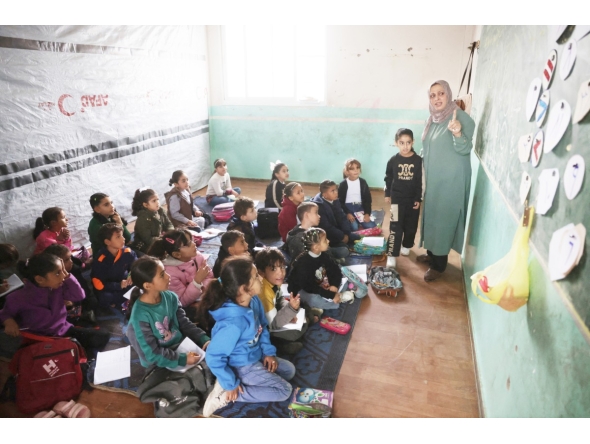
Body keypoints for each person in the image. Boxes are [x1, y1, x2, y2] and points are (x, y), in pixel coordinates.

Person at [198, 256, 295, 417]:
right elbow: (213, 356)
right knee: (284, 390)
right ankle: (226, 393)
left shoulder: (254, 300)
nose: (261, 278)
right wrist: (230, 383)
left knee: (289, 371)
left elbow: (262, 326)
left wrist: (268, 352)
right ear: (244, 288)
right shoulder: (233, 324)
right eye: (256, 276)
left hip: (255, 355)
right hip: (241, 365)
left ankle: (233, 382)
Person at [0, 253, 110, 358]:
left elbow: (79, 296)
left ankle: (74, 354)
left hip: (63, 330)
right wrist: (9, 321)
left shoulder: (57, 288)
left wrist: (68, 277)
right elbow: (5, 313)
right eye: (58, 273)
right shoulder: (17, 297)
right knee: (84, 344)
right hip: (40, 339)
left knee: (103, 335)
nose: (63, 276)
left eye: (63, 271)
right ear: (39, 279)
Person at [420, 80, 475, 282]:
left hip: (451, 181)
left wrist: (458, 133)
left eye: (441, 93)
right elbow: (429, 147)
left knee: (443, 220)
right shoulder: (433, 119)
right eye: (432, 95)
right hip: (435, 179)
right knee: (433, 216)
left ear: (449, 95)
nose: (436, 98)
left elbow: (465, 149)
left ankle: (439, 265)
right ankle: (433, 253)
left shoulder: (460, 118)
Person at [125, 256, 211, 370]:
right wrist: (182, 359)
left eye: (165, 271)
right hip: (157, 360)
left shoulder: (170, 297)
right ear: (147, 285)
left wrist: (203, 339)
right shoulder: (140, 315)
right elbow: (152, 355)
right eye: (162, 275)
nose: (168, 276)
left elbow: (184, 323)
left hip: (178, 347)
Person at [255, 247, 310, 356]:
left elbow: (280, 300)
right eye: (274, 269)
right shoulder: (264, 293)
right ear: (262, 272)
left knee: (303, 308)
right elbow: (272, 325)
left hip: (275, 314)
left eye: (282, 267)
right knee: (296, 331)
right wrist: (290, 311)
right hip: (267, 327)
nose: (281, 273)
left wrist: (290, 311)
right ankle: (281, 346)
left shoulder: (274, 282)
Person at [148, 229, 214, 320]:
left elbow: (210, 276)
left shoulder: (197, 256)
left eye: (191, 240)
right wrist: (197, 282)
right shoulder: (168, 272)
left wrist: (203, 289)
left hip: (202, 295)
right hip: (186, 305)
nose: (193, 244)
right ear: (177, 254)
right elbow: (181, 302)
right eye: (187, 244)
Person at [384, 128, 423, 269]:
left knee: (411, 225)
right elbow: (388, 178)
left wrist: (418, 198)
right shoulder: (393, 160)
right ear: (396, 143)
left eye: (408, 142)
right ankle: (392, 255)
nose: (405, 146)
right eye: (401, 143)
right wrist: (388, 194)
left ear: (413, 142)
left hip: (412, 200)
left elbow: (420, 181)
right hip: (397, 200)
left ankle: (406, 245)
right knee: (395, 227)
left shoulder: (418, 161)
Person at [287, 228, 342, 312]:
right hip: (304, 289)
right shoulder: (303, 263)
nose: (328, 241)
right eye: (325, 240)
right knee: (313, 299)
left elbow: (335, 269)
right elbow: (309, 287)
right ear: (316, 247)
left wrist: (334, 285)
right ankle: (336, 299)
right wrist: (330, 295)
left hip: (321, 284)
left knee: (342, 272)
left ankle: (336, 297)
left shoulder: (324, 255)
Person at [44, 244, 99, 327]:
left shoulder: (74, 269)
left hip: (76, 299)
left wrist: (74, 303)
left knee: (93, 302)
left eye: (70, 257)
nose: (71, 261)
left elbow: (84, 292)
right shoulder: (50, 279)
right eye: (66, 260)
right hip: (62, 306)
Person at [91, 223, 137, 308]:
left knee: (142, 281)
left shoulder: (127, 252)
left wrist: (132, 274)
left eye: (122, 236)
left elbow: (136, 265)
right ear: (107, 242)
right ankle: (124, 299)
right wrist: (118, 285)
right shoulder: (101, 259)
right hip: (111, 287)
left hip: (126, 282)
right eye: (118, 237)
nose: (123, 239)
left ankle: (122, 300)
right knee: (104, 297)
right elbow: (98, 283)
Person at [311, 180, 359, 260]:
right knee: (344, 250)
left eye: (336, 189)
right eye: (332, 191)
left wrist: (346, 233)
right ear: (325, 195)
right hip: (328, 237)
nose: (336, 192)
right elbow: (327, 227)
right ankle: (333, 251)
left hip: (339, 232)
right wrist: (341, 236)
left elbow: (342, 217)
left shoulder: (335, 200)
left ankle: (344, 243)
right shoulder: (320, 207)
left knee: (357, 238)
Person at [131, 188, 174, 254]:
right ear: (145, 205)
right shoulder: (143, 219)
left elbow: (168, 224)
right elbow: (148, 239)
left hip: (161, 238)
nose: (157, 202)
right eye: (154, 201)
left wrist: (170, 233)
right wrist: (164, 240)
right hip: (147, 245)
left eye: (158, 199)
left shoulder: (160, 210)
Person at [338, 158, 376, 231]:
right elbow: (340, 202)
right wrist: (348, 213)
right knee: (354, 227)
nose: (356, 170)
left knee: (371, 226)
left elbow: (368, 199)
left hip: (359, 207)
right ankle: (355, 222)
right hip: (347, 207)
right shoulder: (343, 184)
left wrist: (367, 213)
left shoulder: (363, 182)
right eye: (352, 169)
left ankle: (358, 221)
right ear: (347, 171)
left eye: (357, 168)